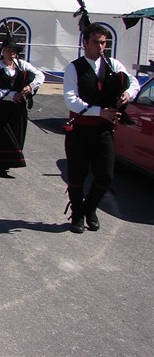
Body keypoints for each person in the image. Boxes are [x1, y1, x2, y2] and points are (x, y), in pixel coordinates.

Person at [63, 23, 139, 233]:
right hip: (79, 130)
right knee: (77, 175)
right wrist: (99, 111)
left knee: (105, 175)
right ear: (85, 43)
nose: (100, 46)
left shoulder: (113, 64)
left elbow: (133, 82)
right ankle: (77, 214)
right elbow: (71, 101)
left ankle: (89, 208)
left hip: (103, 131)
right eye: (96, 42)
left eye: (103, 42)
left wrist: (127, 94)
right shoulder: (74, 68)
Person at [0, 36, 45, 177]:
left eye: (14, 50)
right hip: (1, 108)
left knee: (16, 135)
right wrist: (11, 96)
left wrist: (30, 87)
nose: (11, 52)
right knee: (4, 137)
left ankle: (7, 162)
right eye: (8, 50)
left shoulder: (22, 65)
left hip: (18, 109)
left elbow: (40, 76)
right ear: (2, 51)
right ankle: (1, 165)